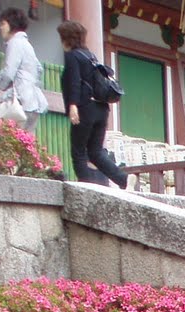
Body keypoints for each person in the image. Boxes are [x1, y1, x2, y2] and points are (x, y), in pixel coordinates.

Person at [57, 21, 127, 189]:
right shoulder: (90, 56)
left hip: (85, 108)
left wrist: (73, 105)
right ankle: (123, 179)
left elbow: (74, 82)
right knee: (95, 152)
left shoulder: (72, 56)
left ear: (66, 39)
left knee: (79, 152)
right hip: (101, 108)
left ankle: (87, 188)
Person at [0, 9, 48, 135]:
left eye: (3, 24)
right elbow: (39, 69)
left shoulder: (14, 43)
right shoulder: (27, 44)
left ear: (11, 24)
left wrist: (0, 89)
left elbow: (9, 73)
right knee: (27, 143)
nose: (0, 27)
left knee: (9, 140)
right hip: (33, 101)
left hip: (19, 101)